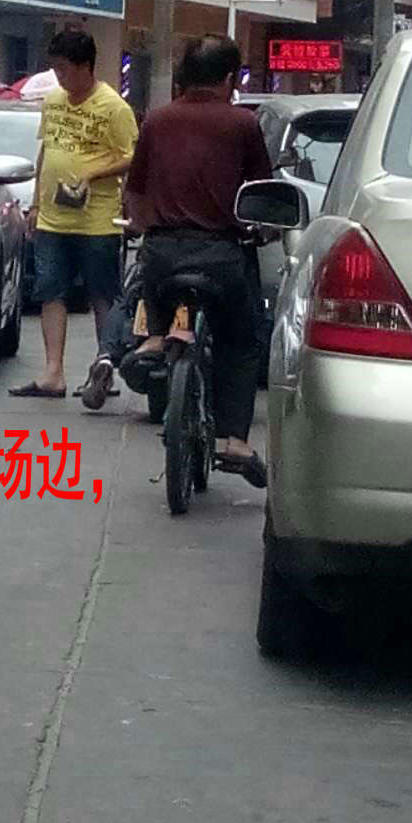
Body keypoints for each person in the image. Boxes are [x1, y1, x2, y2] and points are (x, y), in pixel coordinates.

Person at [121, 35, 272, 487]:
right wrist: (265, 230)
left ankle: (154, 337)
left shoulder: (157, 120)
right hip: (222, 255)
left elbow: (136, 190)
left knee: (150, 278)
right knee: (241, 342)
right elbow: (262, 193)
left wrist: (142, 225)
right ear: (228, 79)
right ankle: (235, 439)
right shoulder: (242, 124)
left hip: (163, 254)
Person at [9, 29, 138, 401]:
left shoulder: (113, 107)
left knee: (102, 294)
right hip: (53, 217)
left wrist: (92, 173)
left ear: (85, 67)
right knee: (50, 290)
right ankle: (53, 373)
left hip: (97, 220)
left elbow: (132, 156)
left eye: (64, 69)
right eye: (56, 69)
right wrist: (36, 204)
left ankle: (103, 365)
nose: (60, 77)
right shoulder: (53, 102)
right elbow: (46, 152)